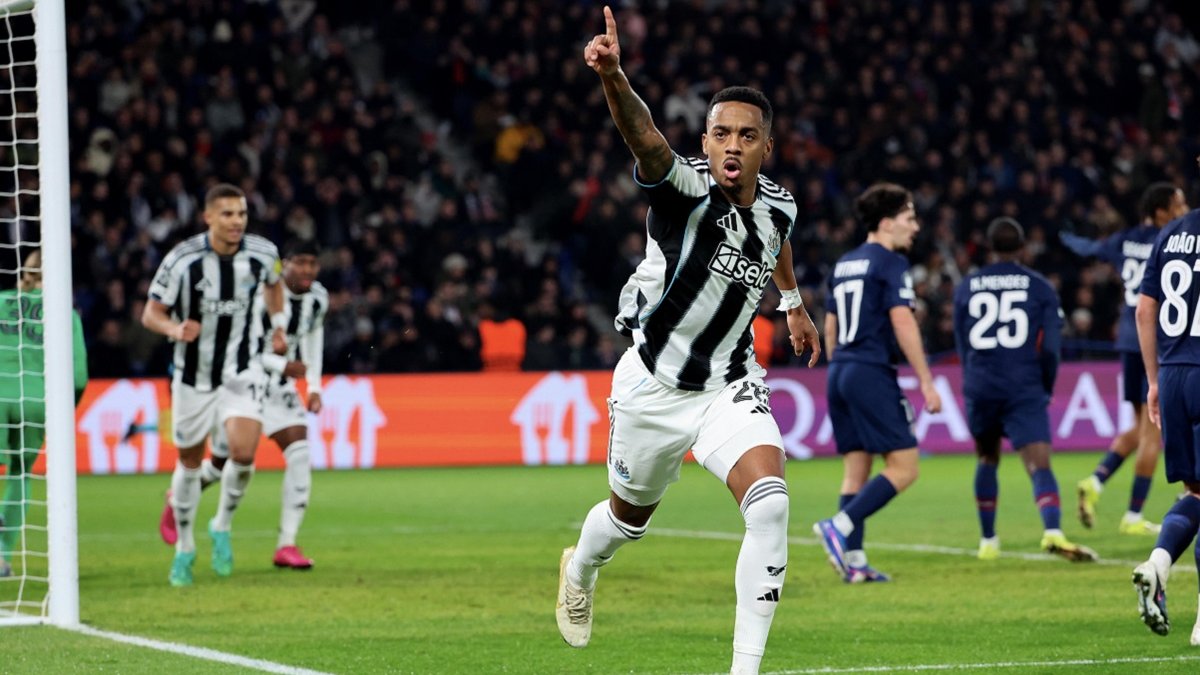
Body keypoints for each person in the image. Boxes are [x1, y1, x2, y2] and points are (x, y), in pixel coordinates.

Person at [557, 8, 822, 675]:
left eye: (747, 136)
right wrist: (613, 77)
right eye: (721, 133)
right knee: (626, 522)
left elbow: (778, 241)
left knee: (771, 503)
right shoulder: (684, 191)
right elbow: (646, 140)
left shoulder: (781, 205)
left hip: (729, 382)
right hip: (653, 384)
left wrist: (793, 304)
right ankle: (580, 567)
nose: (733, 145)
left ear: (767, 147)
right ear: (705, 140)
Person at [143, 183, 285, 586]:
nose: (237, 221)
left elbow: (275, 284)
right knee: (189, 462)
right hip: (193, 377)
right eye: (227, 214)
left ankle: (221, 524)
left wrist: (277, 325)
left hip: (242, 370)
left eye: (241, 213)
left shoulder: (264, 253)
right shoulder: (182, 260)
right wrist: (173, 329)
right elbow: (150, 313)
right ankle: (185, 548)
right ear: (208, 217)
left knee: (244, 453)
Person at [158, 239, 326, 569]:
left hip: (280, 389)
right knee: (225, 463)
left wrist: (315, 386)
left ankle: (286, 544)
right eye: (301, 262)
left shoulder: (318, 298)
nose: (307, 270)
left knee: (300, 453)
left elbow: (312, 338)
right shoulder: (259, 294)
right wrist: (282, 364)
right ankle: (181, 498)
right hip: (243, 380)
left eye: (313, 263)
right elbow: (243, 346)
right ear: (285, 264)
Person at [811, 183, 942, 583]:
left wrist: (840, 367)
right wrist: (926, 381)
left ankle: (854, 562)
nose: (915, 227)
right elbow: (903, 321)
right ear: (886, 223)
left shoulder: (844, 263)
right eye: (909, 218)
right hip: (870, 370)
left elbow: (830, 326)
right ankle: (839, 526)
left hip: (841, 371)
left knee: (856, 470)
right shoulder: (890, 263)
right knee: (905, 467)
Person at [954, 218, 1098, 562]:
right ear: (1022, 248)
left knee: (986, 458)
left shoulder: (967, 285)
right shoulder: (1039, 286)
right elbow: (1050, 348)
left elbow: (961, 342)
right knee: (1039, 463)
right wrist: (1045, 383)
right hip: (1023, 384)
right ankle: (1052, 531)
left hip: (982, 384)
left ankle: (988, 541)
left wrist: (972, 376)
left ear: (990, 248)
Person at [1065, 183, 1190, 535]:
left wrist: (1066, 237)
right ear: (1162, 211)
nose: (1184, 210)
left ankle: (1095, 480)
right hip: (1157, 339)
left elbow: (1089, 248)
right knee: (1153, 433)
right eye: (1179, 204)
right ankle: (1133, 515)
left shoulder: (1124, 239)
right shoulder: (1173, 239)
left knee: (1138, 426)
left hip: (1127, 337)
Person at [1130, 198, 1200, 644]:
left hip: (1173, 375)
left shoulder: (1171, 233)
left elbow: (1143, 310)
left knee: (1197, 492)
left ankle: (1157, 564)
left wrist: (1154, 381)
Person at [0, 250, 88, 577]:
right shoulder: (64, 314)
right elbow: (78, 376)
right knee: (20, 474)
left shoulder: (1, 301)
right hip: (37, 399)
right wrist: (62, 412)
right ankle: (2, 556)